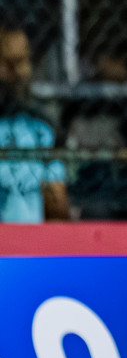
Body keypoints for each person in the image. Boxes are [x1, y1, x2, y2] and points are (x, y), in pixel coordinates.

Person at [0, 23, 68, 223]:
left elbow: (56, 205)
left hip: (31, 236)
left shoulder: (43, 128)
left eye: (23, 61)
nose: (18, 73)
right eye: (8, 63)